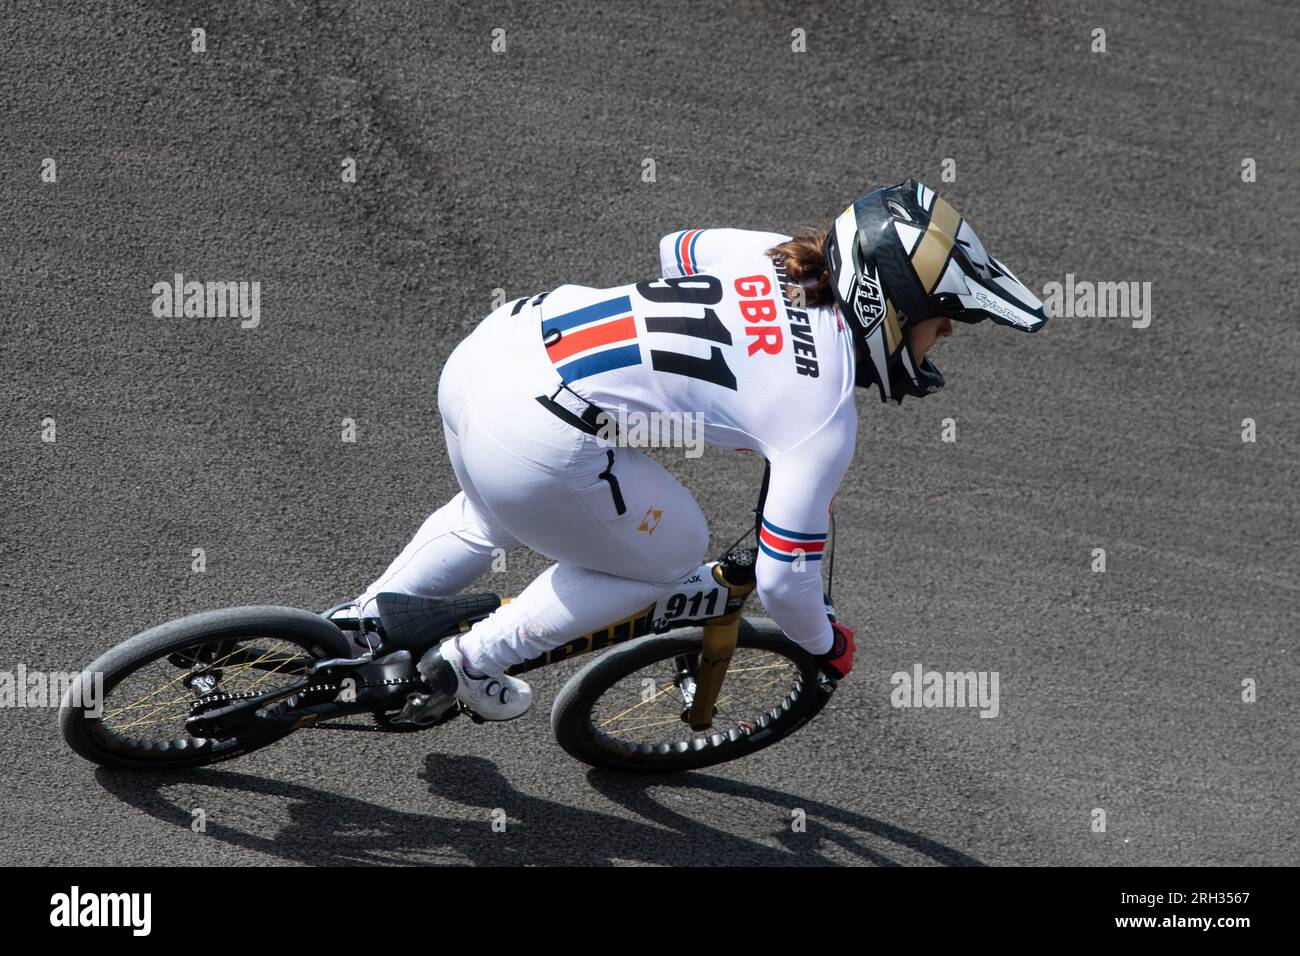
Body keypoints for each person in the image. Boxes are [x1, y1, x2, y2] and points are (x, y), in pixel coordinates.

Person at [353, 178, 1048, 723]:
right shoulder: (822, 417)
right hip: (534, 433)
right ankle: (470, 663)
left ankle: (354, 630)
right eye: (942, 322)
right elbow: (782, 583)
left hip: (492, 352)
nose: (943, 340)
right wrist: (826, 648)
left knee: (489, 515)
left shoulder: (778, 253)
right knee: (674, 553)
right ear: (886, 307)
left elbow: (678, 248)